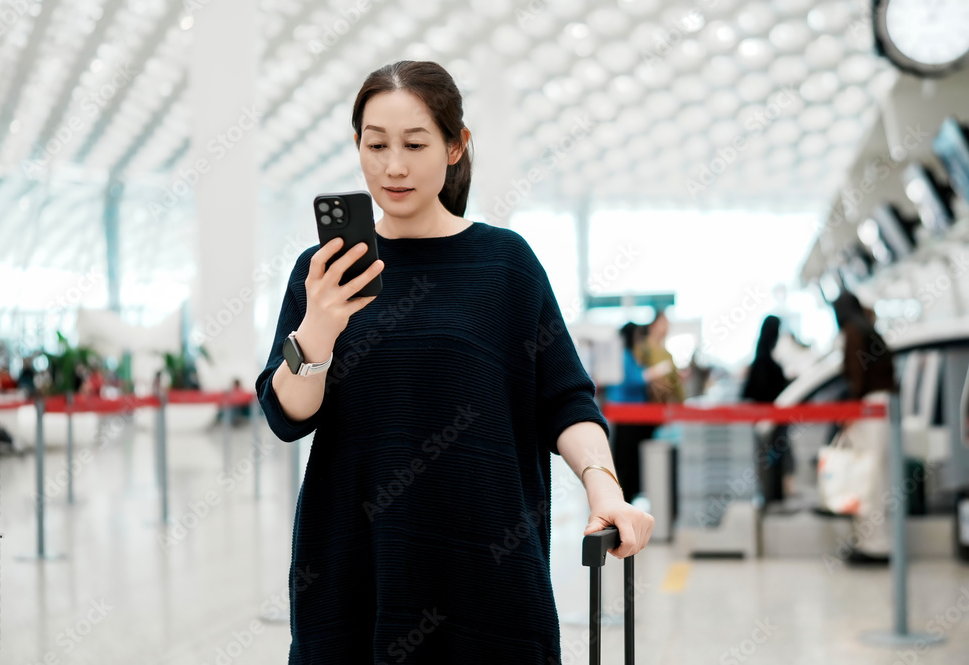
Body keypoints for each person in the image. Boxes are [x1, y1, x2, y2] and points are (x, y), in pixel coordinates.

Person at [255, 61, 653, 664]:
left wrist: (607, 490)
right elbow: (289, 416)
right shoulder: (324, 271)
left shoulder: (506, 265)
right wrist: (318, 329)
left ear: (455, 146)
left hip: (486, 576)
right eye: (375, 143)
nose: (393, 166)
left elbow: (565, 399)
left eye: (414, 144)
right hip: (356, 573)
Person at [834, 291, 896, 565]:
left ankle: (874, 545)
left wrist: (849, 410)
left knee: (867, 478)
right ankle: (876, 542)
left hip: (869, 409)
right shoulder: (869, 328)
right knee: (877, 476)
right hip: (882, 407)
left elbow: (856, 377)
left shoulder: (853, 331)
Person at [607, 322, 672, 503]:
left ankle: (632, 495)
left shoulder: (633, 356)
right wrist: (654, 372)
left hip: (637, 417)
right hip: (627, 417)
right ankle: (625, 498)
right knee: (625, 463)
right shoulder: (623, 356)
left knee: (633, 462)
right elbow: (632, 380)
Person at [742, 315, 793, 504]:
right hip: (768, 422)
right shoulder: (766, 362)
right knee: (771, 463)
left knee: (769, 463)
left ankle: (773, 496)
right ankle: (773, 498)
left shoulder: (761, 359)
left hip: (765, 421)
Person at [637, 310, 685, 404]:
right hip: (643, 404)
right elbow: (634, 377)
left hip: (661, 405)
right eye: (663, 323)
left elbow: (676, 383)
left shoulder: (667, 355)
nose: (666, 327)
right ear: (653, 325)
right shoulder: (641, 349)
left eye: (667, 324)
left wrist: (682, 403)